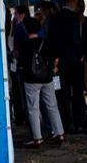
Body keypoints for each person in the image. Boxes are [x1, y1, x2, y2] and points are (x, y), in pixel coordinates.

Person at [17, 17, 65, 147]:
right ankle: (60, 133)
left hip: (31, 80)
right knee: (52, 106)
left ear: (26, 29)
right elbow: (55, 58)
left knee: (33, 108)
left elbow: (21, 64)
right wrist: (54, 67)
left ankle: (37, 138)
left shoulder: (23, 45)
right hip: (47, 78)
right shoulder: (46, 42)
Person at [47, 0, 87, 133]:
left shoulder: (54, 17)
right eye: (76, 3)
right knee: (77, 92)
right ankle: (79, 122)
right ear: (72, 2)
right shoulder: (73, 17)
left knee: (61, 93)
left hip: (59, 62)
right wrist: (80, 54)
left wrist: (54, 58)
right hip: (73, 61)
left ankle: (65, 123)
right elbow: (75, 38)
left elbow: (51, 38)